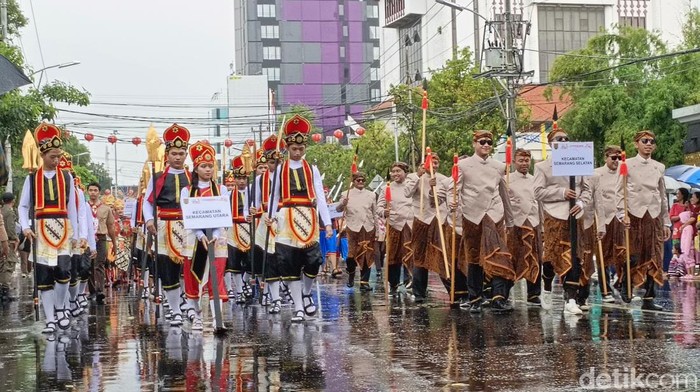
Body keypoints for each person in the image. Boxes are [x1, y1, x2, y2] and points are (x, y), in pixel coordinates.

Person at [268, 114, 332, 322]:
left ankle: (306, 293)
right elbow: (274, 196)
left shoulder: (311, 169)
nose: (297, 152)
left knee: (313, 261)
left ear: (305, 148)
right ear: (287, 147)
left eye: (301, 149)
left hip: (309, 218)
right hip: (286, 217)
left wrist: (328, 223)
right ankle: (297, 306)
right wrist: (271, 217)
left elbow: (320, 196)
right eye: (293, 149)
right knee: (290, 262)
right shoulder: (279, 169)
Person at [18, 123, 80, 333]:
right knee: (44, 275)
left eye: (58, 156)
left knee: (64, 271)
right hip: (40, 229)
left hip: (63, 228)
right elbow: (23, 205)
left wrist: (77, 235)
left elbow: (72, 208)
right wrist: (26, 227)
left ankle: (62, 308)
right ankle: (50, 318)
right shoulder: (31, 178)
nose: (57, 160)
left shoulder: (67, 177)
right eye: (53, 156)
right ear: (43, 155)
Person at [452, 130, 515, 313]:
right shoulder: (463, 165)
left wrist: (509, 220)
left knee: (499, 255)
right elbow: (453, 188)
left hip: (495, 215)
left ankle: (498, 298)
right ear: (474, 144)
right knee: (474, 258)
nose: (486, 145)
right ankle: (475, 298)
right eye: (482, 142)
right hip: (472, 216)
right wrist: (453, 203)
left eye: (489, 142)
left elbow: (504, 193)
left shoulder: (499, 166)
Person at [534, 127, 592, 315]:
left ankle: (571, 299)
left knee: (575, 256)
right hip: (554, 216)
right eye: (559, 139)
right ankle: (547, 284)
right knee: (552, 257)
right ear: (551, 143)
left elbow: (587, 189)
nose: (564, 141)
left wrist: (582, 203)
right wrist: (561, 192)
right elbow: (538, 192)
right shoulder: (542, 167)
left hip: (575, 216)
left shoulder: (580, 162)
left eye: (567, 138)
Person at [143, 123, 192, 326]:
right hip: (165, 227)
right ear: (167, 154)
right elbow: (148, 201)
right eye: (174, 153)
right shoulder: (157, 178)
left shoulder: (194, 178)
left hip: (189, 229)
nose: (178, 157)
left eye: (181, 153)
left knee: (188, 269)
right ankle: (174, 309)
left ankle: (187, 304)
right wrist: (149, 220)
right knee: (168, 270)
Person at [615, 130, 670, 310]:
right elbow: (619, 191)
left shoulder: (659, 167)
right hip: (634, 213)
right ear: (636, 144)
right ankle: (626, 284)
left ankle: (649, 297)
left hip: (653, 214)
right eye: (644, 141)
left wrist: (666, 221)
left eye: (651, 141)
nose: (648, 144)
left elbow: (662, 196)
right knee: (633, 254)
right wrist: (623, 215)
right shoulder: (626, 164)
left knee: (654, 255)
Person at [181, 141, 229, 330]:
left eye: (210, 166)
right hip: (194, 238)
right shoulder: (188, 191)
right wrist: (201, 235)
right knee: (195, 275)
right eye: (204, 166)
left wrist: (215, 234)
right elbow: (190, 217)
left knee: (215, 277)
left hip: (217, 238)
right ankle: (197, 316)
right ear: (196, 168)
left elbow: (224, 215)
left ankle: (218, 319)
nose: (208, 170)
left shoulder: (221, 189)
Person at [252, 135, 286, 313]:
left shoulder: (289, 174)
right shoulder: (260, 180)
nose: (275, 165)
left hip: (286, 218)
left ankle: (300, 293)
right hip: (266, 221)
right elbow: (256, 203)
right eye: (272, 161)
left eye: (278, 161)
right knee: (269, 261)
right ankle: (276, 298)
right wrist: (252, 212)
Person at [506, 149, 544, 307]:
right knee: (513, 257)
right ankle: (503, 292)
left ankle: (534, 294)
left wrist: (542, 225)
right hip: (516, 223)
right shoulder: (507, 179)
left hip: (533, 221)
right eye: (521, 160)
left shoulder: (535, 180)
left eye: (527, 160)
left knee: (535, 257)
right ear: (514, 162)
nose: (524, 163)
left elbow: (540, 202)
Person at [376, 162, 414, 295]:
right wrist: (383, 212)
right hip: (393, 224)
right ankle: (394, 283)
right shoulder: (387, 188)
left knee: (410, 252)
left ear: (405, 172)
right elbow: (379, 206)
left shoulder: (412, 186)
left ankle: (412, 280)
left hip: (410, 223)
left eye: (399, 171)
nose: (396, 174)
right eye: (393, 171)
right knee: (393, 255)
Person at [592, 146, 624, 304]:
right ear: (606, 158)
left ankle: (623, 284)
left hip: (620, 218)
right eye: (613, 158)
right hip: (603, 218)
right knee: (602, 256)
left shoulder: (624, 172)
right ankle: (605, 290)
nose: (616, 161)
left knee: (624, 253)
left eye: (619, 158)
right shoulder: (596, 173)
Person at [336, 171, 376, 291]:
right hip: (353, 227)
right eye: (358, 180)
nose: (360, 182)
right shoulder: (346, 194)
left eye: (363, 180)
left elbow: (374, 213)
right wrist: (343, 204)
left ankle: (364, 282)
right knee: (351, 255)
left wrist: (378, 230)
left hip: (368, 227)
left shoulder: (371, 195)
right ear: (353, 181)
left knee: (367, 254)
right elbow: (338, 209)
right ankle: (351, 274)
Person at [225, 155, 252, 305]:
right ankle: (240, 291)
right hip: (232, 230)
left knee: (250, 261)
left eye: (244, 178)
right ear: (234, 178)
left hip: (250, 230)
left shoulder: (253, 193)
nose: (241, 181)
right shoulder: (227, 195)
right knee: (234, 264)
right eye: (238, 178)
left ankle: (245, 280)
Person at [86, 182, 117, 305]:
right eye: (91, 190)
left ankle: (100, 290)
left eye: (95, 190)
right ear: (88, 192)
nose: (93, 192)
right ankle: (92, 290)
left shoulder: (106, 208)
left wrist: (114, 243)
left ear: (99, 192)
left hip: (101, 237)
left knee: (99, 264)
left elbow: (111, 227)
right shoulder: (84, 207)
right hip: (88, 239)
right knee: (88, 265)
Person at [0, 192, 18, 301]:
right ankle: (5, 291)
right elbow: (11, 228)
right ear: (13, 200)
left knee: (2, 265)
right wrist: (15, 238)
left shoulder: (1, 210)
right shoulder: (10, 212)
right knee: (8, 265)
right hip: (7, 241)